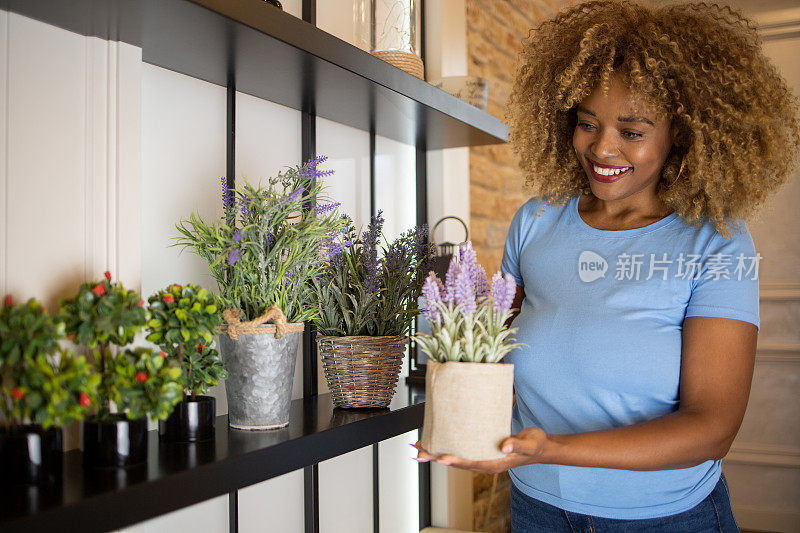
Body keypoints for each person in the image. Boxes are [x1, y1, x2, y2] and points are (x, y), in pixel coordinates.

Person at [413, 0, 800, 531]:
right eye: (587, 122)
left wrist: (551, 449)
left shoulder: (716, 241)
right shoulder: (537, 221)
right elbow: (495, 356)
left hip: (664, 516)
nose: (601, 147)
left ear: (680, 134)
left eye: (633, 131)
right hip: (537, 507)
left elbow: (712, 427)